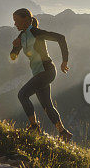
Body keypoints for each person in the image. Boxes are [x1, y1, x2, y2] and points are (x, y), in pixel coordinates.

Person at [9, 8, 74, 141]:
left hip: (47, 71)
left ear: (26, 19)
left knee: (22, 94)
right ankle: (63, 133)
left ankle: (34, 127)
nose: (14, 24)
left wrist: (64, 61)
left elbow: (61, 38)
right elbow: (13, 56)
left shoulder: (35, 32)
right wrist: (15, 47)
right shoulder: (22, 36)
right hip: (39, 73)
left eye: (16, 20)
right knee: (47, 106)